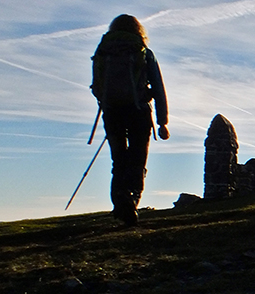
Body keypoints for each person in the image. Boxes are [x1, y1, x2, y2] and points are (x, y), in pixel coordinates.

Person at [91, 14, 169, 226]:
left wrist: (107, 102)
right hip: (138, 112)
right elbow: (159, 88)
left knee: (119, 160)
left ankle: (120, 201)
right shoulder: (143, 52)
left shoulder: (103, 51)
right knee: (137, 159)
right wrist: (163, 122)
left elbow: (96, 85)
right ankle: (131, 200)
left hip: (112, 112)